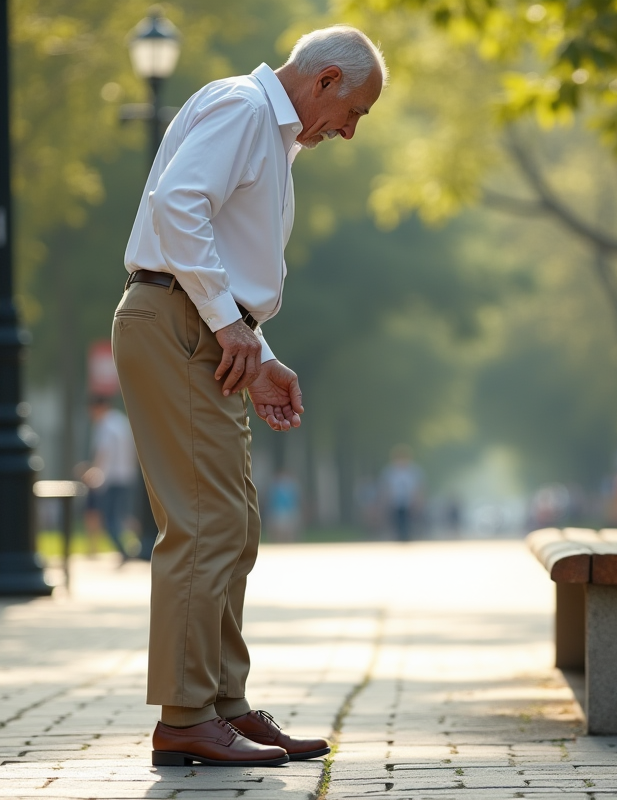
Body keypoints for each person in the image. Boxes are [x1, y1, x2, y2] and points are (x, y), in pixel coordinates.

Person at [114, 26, 386, 766]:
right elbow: (178, 209)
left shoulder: (270, 135)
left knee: (233, 523)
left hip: (201, 325)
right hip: (176, 322)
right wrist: (232, 325)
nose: (351, 131)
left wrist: (258, 352)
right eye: (355, 111)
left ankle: (222, 705)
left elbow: (221, 250)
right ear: (327, 80)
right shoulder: (242, 109)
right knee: (204, 524)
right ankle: (184, 716)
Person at [83, 396, 141, 561]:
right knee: (123, 516)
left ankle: (125, 552)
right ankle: (135, 545)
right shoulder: (121, 422)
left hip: (111, 478)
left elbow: (103, 453)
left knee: (110, 520)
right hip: (127, 475)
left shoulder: (105, 426)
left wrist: (95, 474)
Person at [381, 444, 423, 542]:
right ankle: (398, 536)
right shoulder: (390, 471)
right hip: (395, 501)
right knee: (396, 520)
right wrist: (385, 501)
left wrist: (418, 500)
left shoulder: (414, 471)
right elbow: (386, 487)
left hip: (409, 501)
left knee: (408, 521)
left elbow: (418, 487)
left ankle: (407, 536)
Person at [265, 469, 301, 543]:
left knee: (289, 531)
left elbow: (295, 501)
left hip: (288, 512)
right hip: (279, 512)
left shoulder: (291, 487)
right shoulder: (276, 487)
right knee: (279, 532)